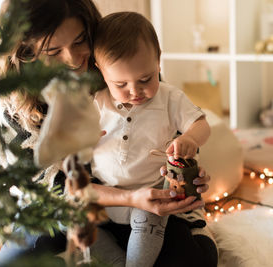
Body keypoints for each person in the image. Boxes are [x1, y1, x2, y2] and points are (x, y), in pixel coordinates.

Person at [0, 0, 216, 266]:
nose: (74, 60)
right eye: (53, 51)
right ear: (26, 53)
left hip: (146, 198)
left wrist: (187, 167)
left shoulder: (122, 62)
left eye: (79, 41)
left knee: (193, 259)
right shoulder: (14, 99)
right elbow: (48, 187)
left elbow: (174, 129)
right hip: (66, 206)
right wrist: (128, 198)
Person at [91, 11, 212, 267]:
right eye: (121, 84)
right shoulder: (97, 102)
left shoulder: (169, 98)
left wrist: (191, 137)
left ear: (158, 61)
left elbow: (201, 124)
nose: (135, 91)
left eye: (145, 79)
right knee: (76, 227)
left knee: (151, 222)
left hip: (152, 196)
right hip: (106, 196)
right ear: (101, 73)